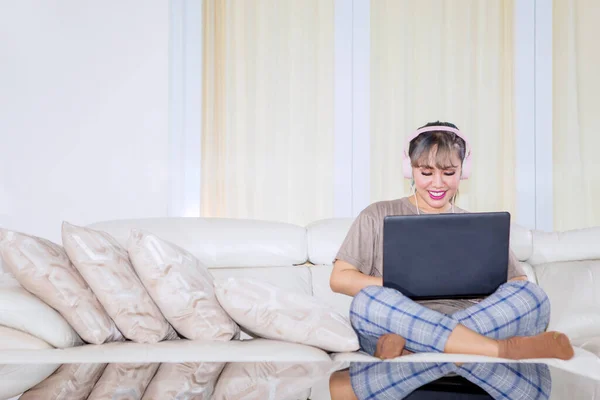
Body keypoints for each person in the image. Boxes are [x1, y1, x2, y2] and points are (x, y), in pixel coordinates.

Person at [328, 122, 574, 400]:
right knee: (367, 302)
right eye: (426, 172)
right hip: (398, 318)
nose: (437, 183)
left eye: (448, 173)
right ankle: (498, 350)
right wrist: (403, 284)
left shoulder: (479, 227)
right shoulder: (377, 215)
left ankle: (418, 352)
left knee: (533, 296)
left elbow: (516, 283)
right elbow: (340, 278)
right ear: (409, 168)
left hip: (462, 323)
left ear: (463, 171)